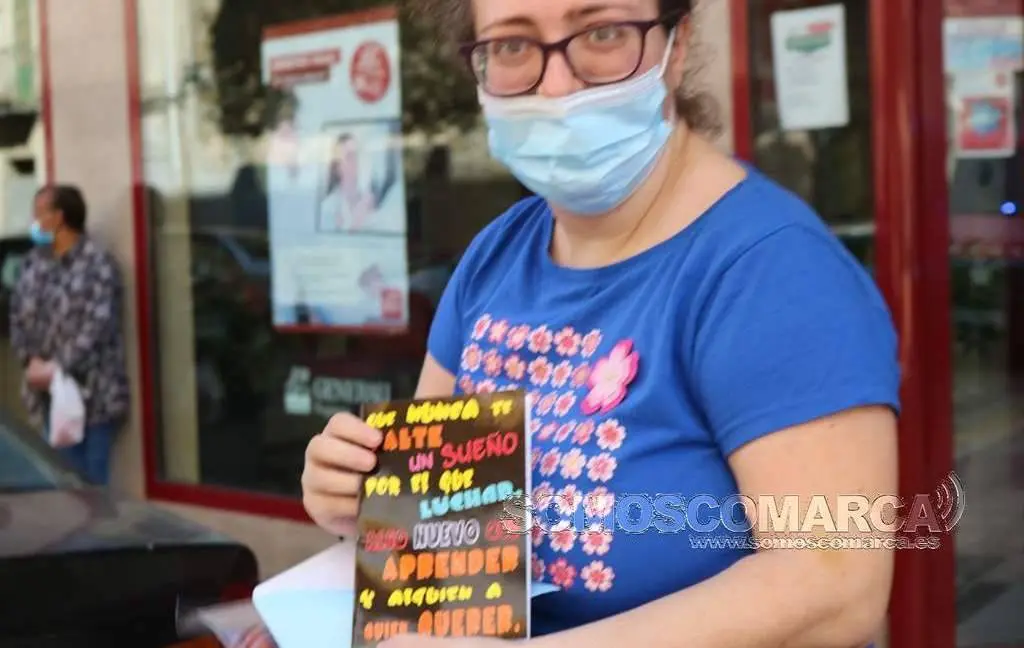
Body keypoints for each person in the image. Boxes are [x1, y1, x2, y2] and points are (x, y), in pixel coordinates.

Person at [301, 1, 900, 647]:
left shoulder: (771, 271)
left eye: (603, 33)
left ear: (676, 46)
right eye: (511, 46)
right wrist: (358, 495)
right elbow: (429, 534)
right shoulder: (493, 259)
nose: (556, 84)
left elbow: (833, 586)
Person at [10, 184, 130, 486]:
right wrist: (30, 361)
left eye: (40, 213)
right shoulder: (34, 263)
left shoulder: (97, 263)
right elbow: (17, 316)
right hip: (48, 397)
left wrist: (58, 367)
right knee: (59, 484)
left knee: (91, 486)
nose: (34, 220)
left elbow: (98, 324)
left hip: (94, 396)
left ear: (59, 217)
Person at [319, 133, 376, 232]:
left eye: (356, 155)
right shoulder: (329, 208)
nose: (355, 161)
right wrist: (356, 224)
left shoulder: (370, 200)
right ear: (337, 166)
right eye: (349, 156)